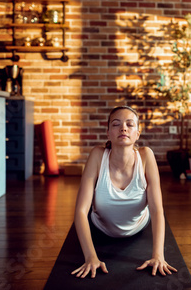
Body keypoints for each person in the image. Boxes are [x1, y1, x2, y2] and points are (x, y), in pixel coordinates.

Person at [71, 106, 177, 278]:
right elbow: (81, 211)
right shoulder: (98, 155)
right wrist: (91, 257)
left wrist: (158, 256)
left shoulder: (145, 156)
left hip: (138, 227)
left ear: (138, 133)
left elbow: (157, 210)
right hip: (100, 229)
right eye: (116, 124)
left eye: (130, 124)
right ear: (108, 133)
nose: (123, 128)